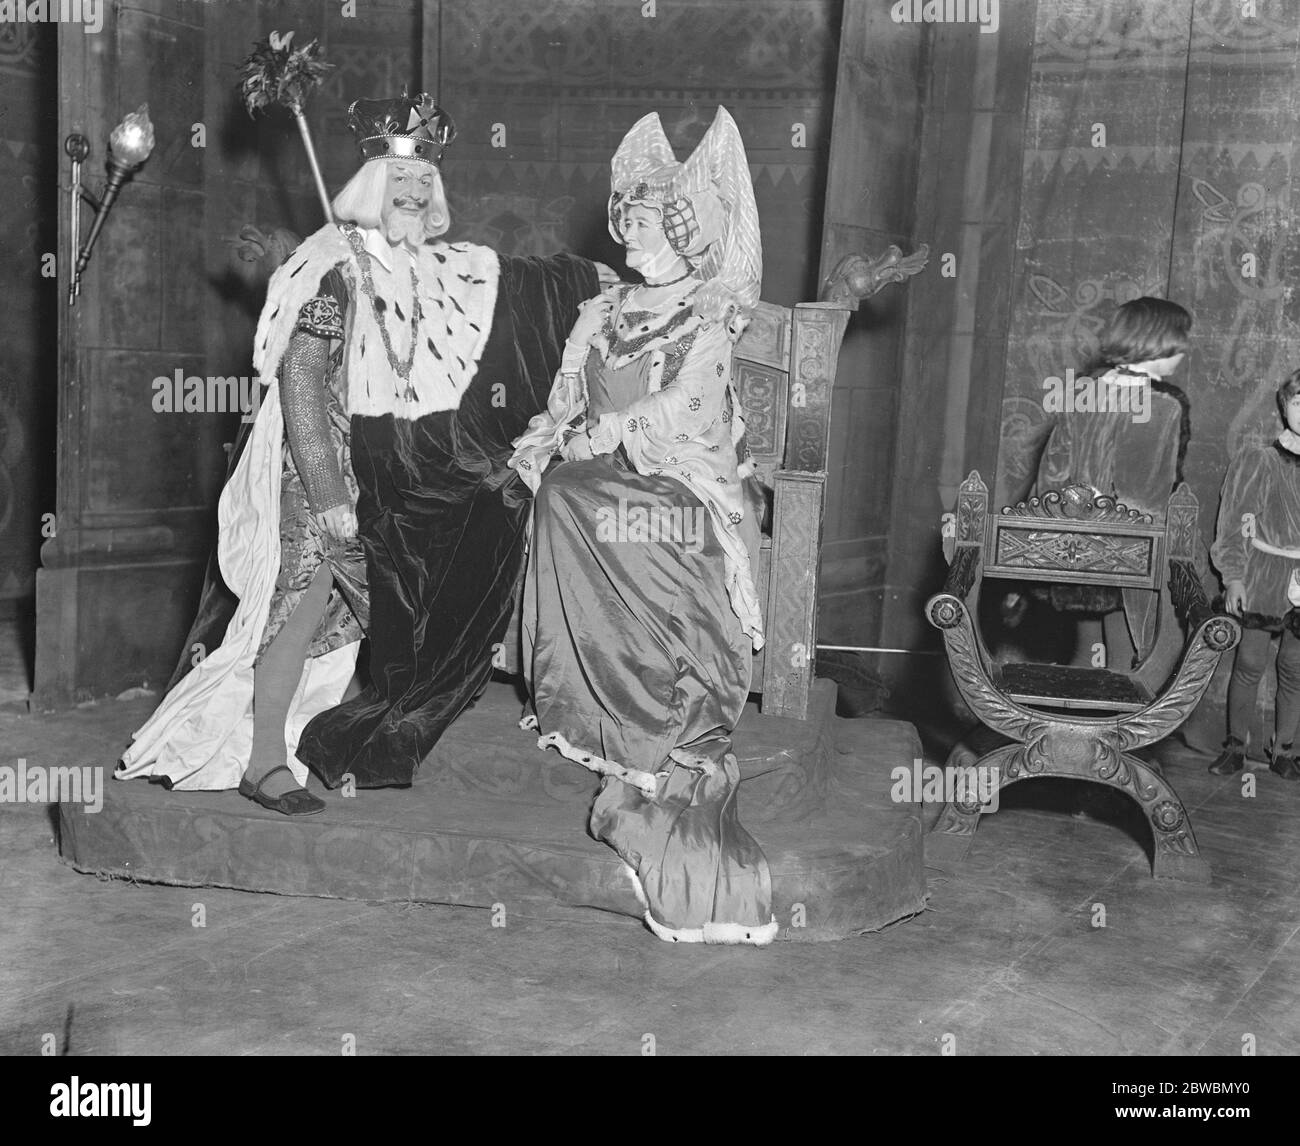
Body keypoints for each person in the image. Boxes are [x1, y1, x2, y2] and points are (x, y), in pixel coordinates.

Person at [119, 91, 603, 803]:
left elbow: (513, 282)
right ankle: (260, 761)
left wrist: (594, 283)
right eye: (399, 183)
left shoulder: (435, 268)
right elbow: (303, 379)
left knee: (399, 593)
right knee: (300, 600)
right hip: (321, 467)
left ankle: (328, 738)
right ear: (373, 185)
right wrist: (326, 490)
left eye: (421, 185)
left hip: (393, 468)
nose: (410, 195)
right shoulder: (325, 266)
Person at [509, 107, 776, 945]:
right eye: (624, 211)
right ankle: (588, 703)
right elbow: (562, 401)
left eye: (647, 213)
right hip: (593, 473)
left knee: (582, 502)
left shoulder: (707, 314)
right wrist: (543, 445)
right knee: (554, 494)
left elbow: (692, 407)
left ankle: (652, 717)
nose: (628, 224)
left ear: (684, 228)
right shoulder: (600, 309)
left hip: (681, 484)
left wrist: (605, 436)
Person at [1030, 296, 1193, 669]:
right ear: (1156, 341)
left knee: (1085, 650)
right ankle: (1112, 726)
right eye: (1180, 338)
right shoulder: (1161, 405)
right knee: (1127, 657)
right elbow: (1146, 495)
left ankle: (1065, 722)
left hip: (1071, 538)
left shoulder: (1086, 388)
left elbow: (1052, 469)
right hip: (1126, 547)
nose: (1184, 350)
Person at [1207, 370, 1300, 781]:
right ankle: (1235, 747)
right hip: (1263, 575)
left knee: (1294, 669)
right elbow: (1236, 524)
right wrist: (1234, 577)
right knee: (1249, 663)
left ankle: (1284, 751)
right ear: (1284, 407)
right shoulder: (1260, 460)